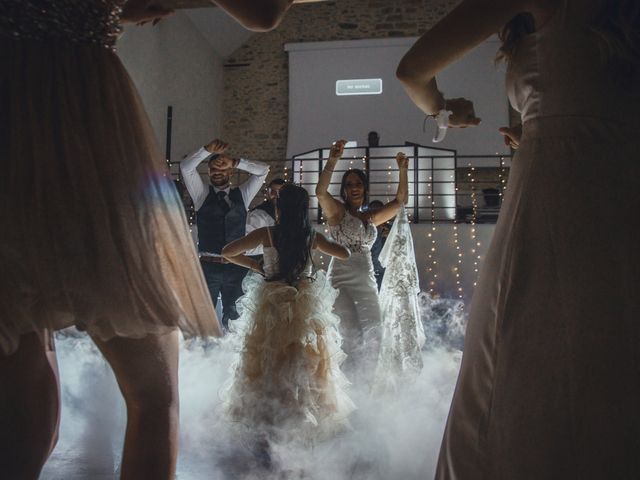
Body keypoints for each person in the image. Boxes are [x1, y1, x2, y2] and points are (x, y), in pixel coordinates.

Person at [0, 0, 307, 477]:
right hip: (86, 125)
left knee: (23, 375)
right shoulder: (203, 186)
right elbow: (262, 12)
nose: (222, 169)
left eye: (227, 165)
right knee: (153, 398)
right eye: (218, 165)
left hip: (11, 121)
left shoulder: (245, 195)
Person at [396, 0, 640, 478]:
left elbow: (412, 72)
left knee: (523, 348)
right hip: (623, 188)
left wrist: (444, 109)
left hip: (558, 196)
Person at [221, 184, 354, 452]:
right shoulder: (310, 236)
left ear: (279, 208)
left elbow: (228, 251)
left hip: (271, 303)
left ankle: (268, 419)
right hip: (303, 304)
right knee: (303, 361)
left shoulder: (266, 233)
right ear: (304, 210)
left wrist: (254, 264)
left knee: (268, 360)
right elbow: (345, 254)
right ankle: (298, 416)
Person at [316, 140, 409, 385]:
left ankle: (366, 385)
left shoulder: (370, 218)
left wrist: (402, 169)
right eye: (349, 185)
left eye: (358, 184)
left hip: (366, 278)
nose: (354, 188)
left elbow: (399, 202)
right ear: (344, 190)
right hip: (341, 278)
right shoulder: (337, 212)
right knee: (349, 334)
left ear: (365, 188)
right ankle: (343, 386)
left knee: (375, 331)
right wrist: (332, 160)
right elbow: (320, 193)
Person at [180, 139, 269, 329]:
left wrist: (237, 162)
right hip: (207, 267)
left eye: (222, 169)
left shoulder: (242, 195)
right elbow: (186, 168)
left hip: (236, 267)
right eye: (213, 170)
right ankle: (203, 355)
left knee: (235, 317)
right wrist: (205, 151)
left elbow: (263, 171)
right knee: (203, 319)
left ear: (230, 172)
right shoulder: (201, 194)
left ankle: (230, 356)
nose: (217, 173)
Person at [244, 177, 285, 257]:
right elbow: (247, 246)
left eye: (280, 192)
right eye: (273, 191)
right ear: (268, 192)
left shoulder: (287, 214)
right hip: (259, 260)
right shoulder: (258, 214)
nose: (276, 195)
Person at [367, 200, 390, 291]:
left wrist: (390, 237)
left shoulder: (390, 228)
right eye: (374, 211)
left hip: (386, 272)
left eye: (379, 211)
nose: (377, 214)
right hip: (368, 271)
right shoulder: (365, 229)